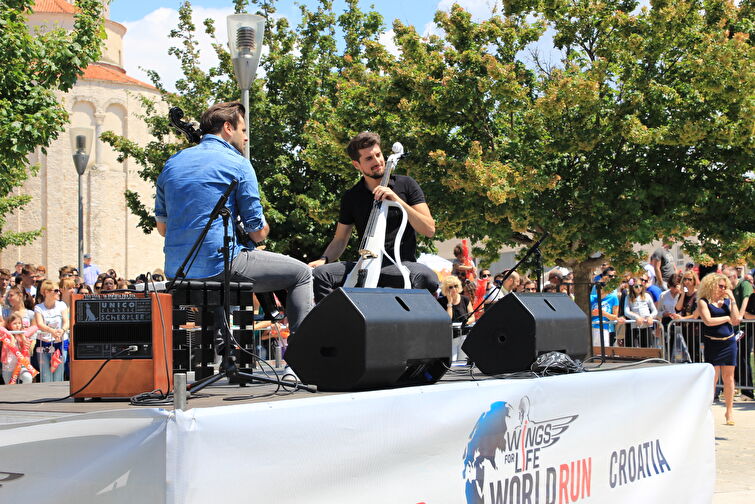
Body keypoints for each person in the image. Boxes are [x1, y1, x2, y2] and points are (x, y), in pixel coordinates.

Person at [155, 101, 312, 333]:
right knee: (302, 273)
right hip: (220, 266)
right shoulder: (239, 164)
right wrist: (263, 227)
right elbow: (257, 233)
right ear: (228, 128)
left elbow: (163, 229)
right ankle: (303, 357)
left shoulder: (172, 163)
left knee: (216, 290)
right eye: (244, 130)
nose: (246, 138)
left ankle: (218, 359)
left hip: (178, 270)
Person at [308, 131, 438, 301]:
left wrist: (397, 200)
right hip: (365, 264)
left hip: (399, 265)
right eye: (369, 158)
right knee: (319, 275)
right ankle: (341, 324)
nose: (377, 161)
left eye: (378, 155)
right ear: (357, 165)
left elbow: (429, 229)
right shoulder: (351, 196)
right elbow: (340, 240)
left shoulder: (406, 184)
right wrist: (324, 259)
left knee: (426, 277)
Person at [698, 273, 741, 425]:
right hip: (712, 343)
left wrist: (733, 301)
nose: (723, 289)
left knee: (729, 378)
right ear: (711, 285)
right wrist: (727, 318)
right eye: (720, 286)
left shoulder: (727, 302)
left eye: (725, 286)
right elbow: (708, 321)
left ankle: (729, 411)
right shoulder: (703, 301)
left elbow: (736, 320)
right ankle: (707, 411)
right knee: (713, 378)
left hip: (728, 343)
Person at [34, 280, 69, 382]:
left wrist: (62, 330)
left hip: (60, 343)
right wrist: (52, 331)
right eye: (56, 290)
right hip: (43, 343)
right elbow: (40, 324)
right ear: (46, 292)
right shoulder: (38, 307)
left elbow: (66, 321)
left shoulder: (61, 305)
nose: (59, 293)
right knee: (46, 376)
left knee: (58, 375)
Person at [624, 277, 658, 347]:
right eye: (636, 286)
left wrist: (650, 317)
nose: (639, 288)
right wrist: (636, 317)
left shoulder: (647, 296)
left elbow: (654, 310)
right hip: (635, 326)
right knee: (636, 349)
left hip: (647, 325)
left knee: (647, 348)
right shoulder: (628, 297)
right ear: (632, 287)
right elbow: (626, 311)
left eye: (640, 285)